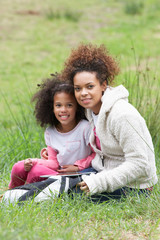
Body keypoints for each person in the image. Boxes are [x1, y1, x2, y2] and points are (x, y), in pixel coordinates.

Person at [60, 43, 158, 200]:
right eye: (78, 88)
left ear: (103, 85)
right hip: (104, 173)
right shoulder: (91, 111)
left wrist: (98, 182)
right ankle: (13, 195)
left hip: (136, 186)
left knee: (69, 195)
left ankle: (19, 199)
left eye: (90, 86)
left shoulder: (122, 115)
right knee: (59, 182)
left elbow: (140, 163)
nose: (83, 93)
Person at [8, 74, 95, 189]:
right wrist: (33, 161)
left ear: (77, 107)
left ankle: (25, 194)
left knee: (36, 172)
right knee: (19, 167)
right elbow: (53, 163)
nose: (63, 110)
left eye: (69, 105)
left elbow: (97, 154)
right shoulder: (50, 132)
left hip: (79, 175)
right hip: (58, 173)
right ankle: (10, 192)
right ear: (52, 108)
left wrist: (78, 166)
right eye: (58, 105)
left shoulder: (85, 128)